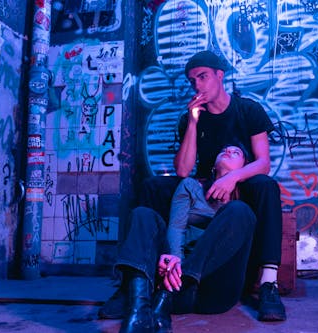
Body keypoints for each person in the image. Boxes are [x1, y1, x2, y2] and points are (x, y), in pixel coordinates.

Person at [98, 50, 286, 323]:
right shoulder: (190, 118)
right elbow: (183, 170)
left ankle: (269, 284)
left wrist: (232, 178)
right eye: (192, 80)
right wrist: (194, 121)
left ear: (219, 76)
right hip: (204, 186)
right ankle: (135, 280)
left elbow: (263, 162)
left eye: (203, 77)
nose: (197, 85)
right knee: (152, 187)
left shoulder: (248, 110)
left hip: (240, 181)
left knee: (266, 186)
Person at [116, 145, 257, 333]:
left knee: (240, 211)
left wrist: (182, 272)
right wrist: (174, 261)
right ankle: (139, 311)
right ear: (213, 165)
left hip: (214, 291)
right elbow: (176, 226)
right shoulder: (191, 186)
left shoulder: (243, 201)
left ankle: (174, 286)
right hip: (173, 290)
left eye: (236, 152)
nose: (228, 152)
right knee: (143, 215)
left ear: (244, 168)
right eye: (223, 150)